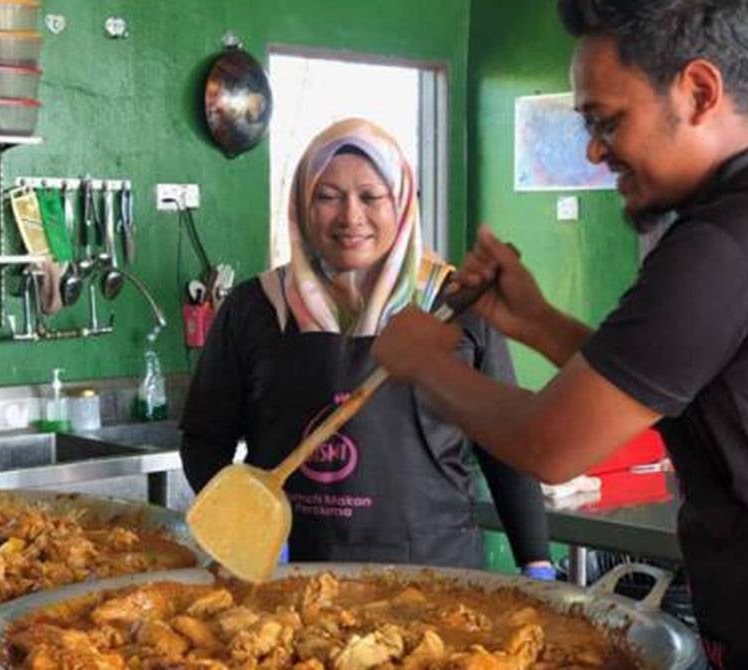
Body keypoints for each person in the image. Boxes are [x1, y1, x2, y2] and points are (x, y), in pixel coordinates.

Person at [373, 1, 748, 666]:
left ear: (700, 91)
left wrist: (424, 360)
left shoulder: (722, 244)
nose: (594, 150)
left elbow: (551, 443)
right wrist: (535, 321)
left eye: (606, 121)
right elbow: (664, 381)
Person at [181, 118, 553, 574]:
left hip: (436, 577)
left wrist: (537, 562)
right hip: (289, 577)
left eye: (371, 197)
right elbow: (204, 439)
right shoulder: (256, 306)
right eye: (327, 196)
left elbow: (504, 447)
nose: (350, 217)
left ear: (399, 202)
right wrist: (243, 531)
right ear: (301, 204)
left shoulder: (455, 303)